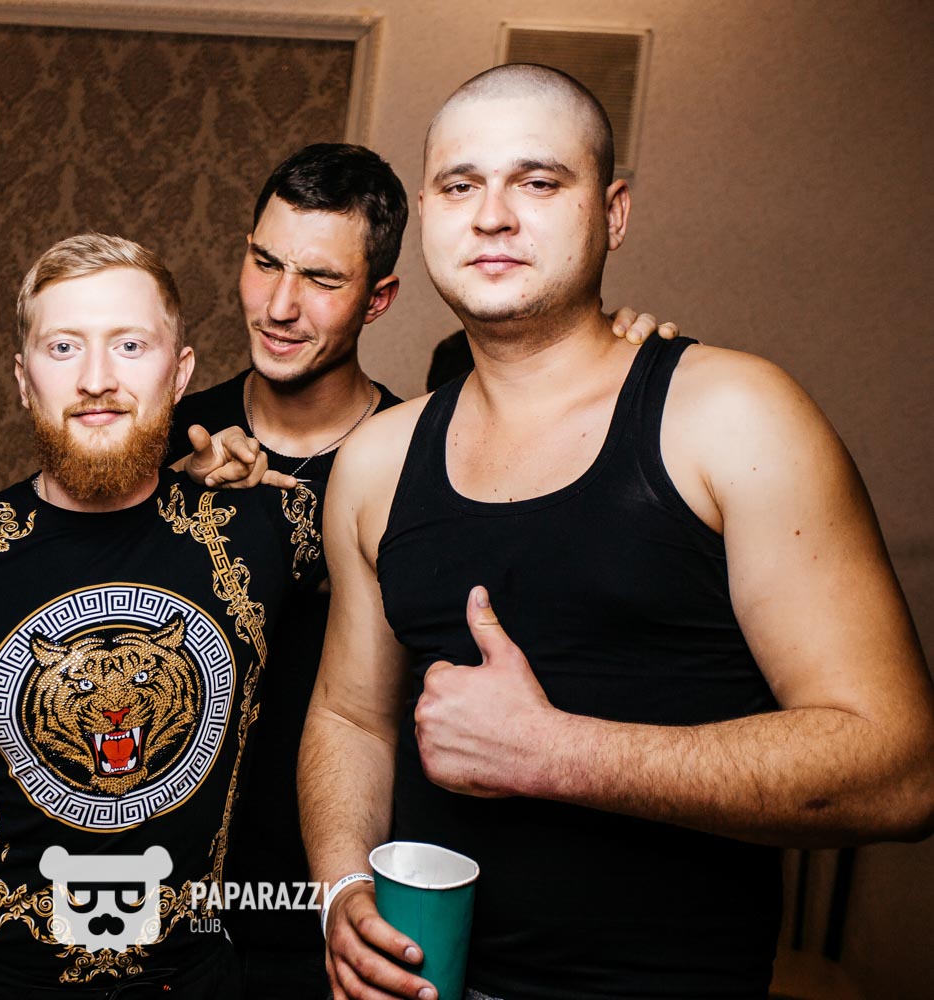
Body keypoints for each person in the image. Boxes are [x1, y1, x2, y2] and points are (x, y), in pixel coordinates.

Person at [302, 64, 934, 1000]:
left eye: (538, 181)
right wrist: (341, 888)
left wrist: (555, 754)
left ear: (614, 213)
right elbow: (349, 718)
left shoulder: (733, 417)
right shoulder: (376, 462)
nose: (492, 217)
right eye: (460, 186)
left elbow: (900, 770)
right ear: (427, 213)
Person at [165, 143, 675, 997]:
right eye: (266, 263)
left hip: (337, 904)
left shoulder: (424, 465)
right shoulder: (166, 442)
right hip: (162, 899)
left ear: (379, 298)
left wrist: (615, 359)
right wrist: (162, 513)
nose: (281, 306)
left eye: (322, 279)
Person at [0, 233, 325, 999]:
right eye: (63, 347)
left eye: (130, 345)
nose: (97, 379)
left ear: (180, 372)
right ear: (25, 379)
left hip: (190, 981)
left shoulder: (270, 530)